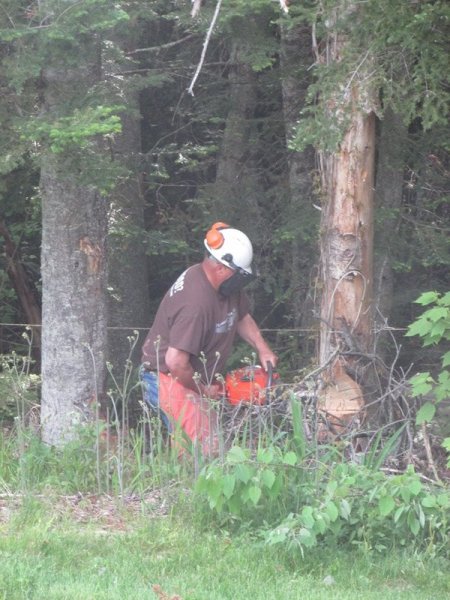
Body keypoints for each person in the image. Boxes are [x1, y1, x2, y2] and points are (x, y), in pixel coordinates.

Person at [140, 222, 278, 456]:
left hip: (190, 376)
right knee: (203, 449)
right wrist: (203, 391)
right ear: (223, 269)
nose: (240, 282)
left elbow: (241, 316)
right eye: (239, 275)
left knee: (211, 441)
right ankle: (187, 490)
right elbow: (175, 362)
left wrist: (263, 349)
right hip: (166, 376)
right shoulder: (195, 303)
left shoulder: (224, 286)